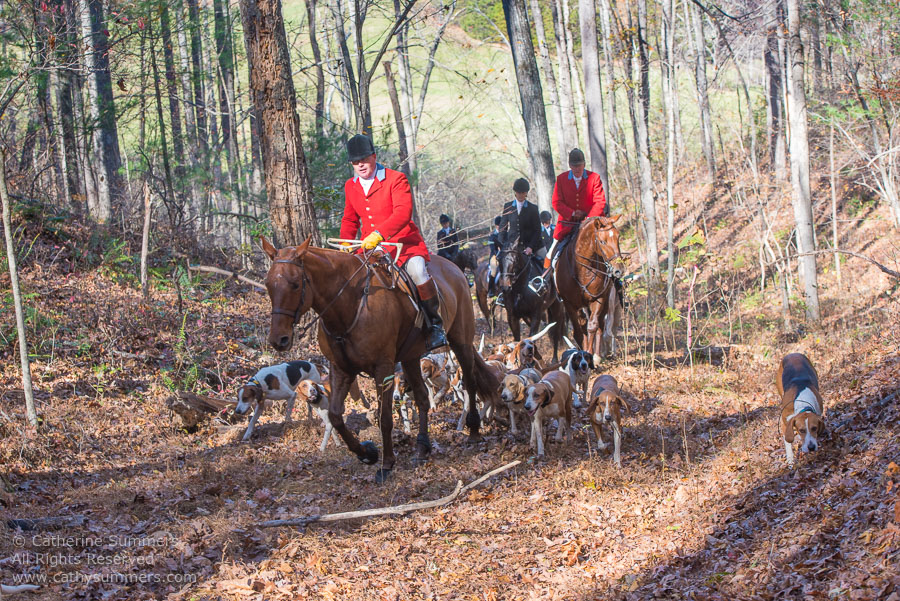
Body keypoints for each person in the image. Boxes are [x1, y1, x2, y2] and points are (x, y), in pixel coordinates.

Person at [339, 134, 448, 351]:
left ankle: (435, 325)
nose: (360, 165)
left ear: (374, 156)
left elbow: (403, 213)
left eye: (364, 159)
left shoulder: (395, 179)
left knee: (418, 272)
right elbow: (350, 219)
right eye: (355, 161)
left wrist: (379, 234)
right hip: (369, 249)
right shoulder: (351, 186)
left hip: (403, 245)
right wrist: (346, 243)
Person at [544, 148, 607, 270]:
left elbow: (600, 202)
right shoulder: (561, 179)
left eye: (579, 165)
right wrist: (571, 213)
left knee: (609, 247)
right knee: (550, 254)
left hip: (592, 222)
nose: (577, 169)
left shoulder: (594, 178)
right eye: (574, 166)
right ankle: (545, 280)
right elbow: (556, 202)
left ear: (584, 164)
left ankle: (616, 279)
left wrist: (589, 219)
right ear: (569, 165)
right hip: (568, 224)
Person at [497, 178, 542, 305]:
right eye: (519, 192)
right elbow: (502, 228)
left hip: (529, 245)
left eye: (523, 193)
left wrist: (531, 247)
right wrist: (503, 245)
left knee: (546, 260)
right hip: (511, 246)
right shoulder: (508, 207)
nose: (521, 195)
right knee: (496, 266)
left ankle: (550, 289)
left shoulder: (533, 208)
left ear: (526, 193)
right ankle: (499, 294)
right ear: (515, 192)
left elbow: (537, 231)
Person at [487, 216, 502, 297]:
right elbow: (492, 248)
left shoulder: (506, 233)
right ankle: (491, 290)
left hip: (504, 255)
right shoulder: (492, 235)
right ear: (496, 226)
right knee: (494, 270)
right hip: (495, 256)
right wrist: (498, 253)